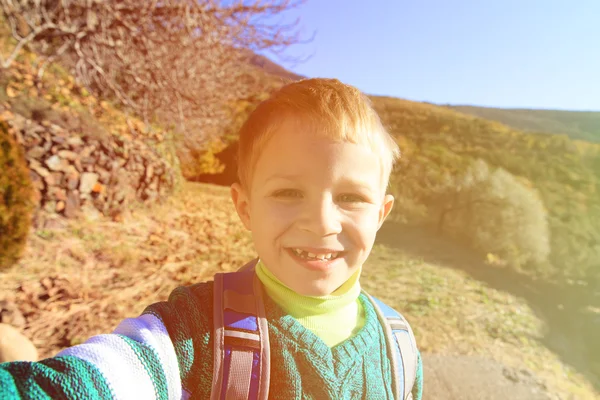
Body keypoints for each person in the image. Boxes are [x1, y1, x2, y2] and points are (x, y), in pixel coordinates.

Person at [0, 78, 423, 399]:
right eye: (288, 192)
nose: (321, 222)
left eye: (351, 197)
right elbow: (102, 376)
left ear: (382, 214)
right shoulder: (196, 333)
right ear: (245, 207)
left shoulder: (400, 349)